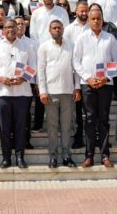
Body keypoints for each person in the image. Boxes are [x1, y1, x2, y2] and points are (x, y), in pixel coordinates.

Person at [0, 18, 36, 169]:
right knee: (5, 128)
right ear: (3, 30)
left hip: (23, 93)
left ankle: (20, 157)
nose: (11, 30)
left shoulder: (27, 46)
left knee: (21, 127)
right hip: (2, 93)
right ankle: (6, 157)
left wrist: (23, 78)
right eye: (7, 27)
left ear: (18, 28)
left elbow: (33, 66)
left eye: (13, 27)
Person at [73, 7, 117, 168]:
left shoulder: (110, 38)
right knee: (90, 119)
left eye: (98, 19)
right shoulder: (82, 38)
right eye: (93, 19)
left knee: (104, 120)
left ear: (102, 20)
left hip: (106, 84)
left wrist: (106, 78)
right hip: (88, 85)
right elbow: (76, 62)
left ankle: (105, 155)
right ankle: (89, 155)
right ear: (89, 20)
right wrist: (88, 78)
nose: (96, 21)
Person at [37, 19, 80, 168]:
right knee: (52, 126)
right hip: (51, 92)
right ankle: (53, 157)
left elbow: (76, 68)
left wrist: (77, 87)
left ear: (63, 29)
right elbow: (40, 70)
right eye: (54, 28)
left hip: (68, 92)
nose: (57, 30)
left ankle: (67, 156)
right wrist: (42, 91)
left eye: (59, 28)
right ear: (49, 31)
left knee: (67, 126)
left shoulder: (71, 45)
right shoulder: (44, 47)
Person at [65, 1, 89, 149]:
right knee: (76, 112)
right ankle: (78, 138)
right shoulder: (69, 29)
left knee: (90, 111)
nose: (84, 13)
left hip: (88, 75)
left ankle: (94, 137)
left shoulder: (92, 27)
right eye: (82, 10)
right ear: (76, 11)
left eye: (86, 10)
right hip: (73, 74)